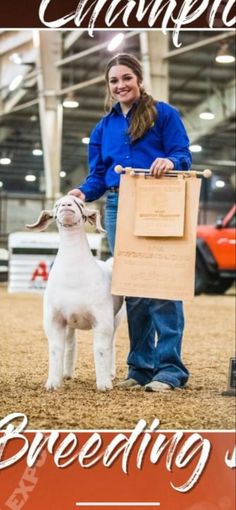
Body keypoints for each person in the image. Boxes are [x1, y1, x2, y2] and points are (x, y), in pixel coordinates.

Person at [69, 53, 192, 392]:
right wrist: (82, 191)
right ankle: (140, 368)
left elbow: (183, 154)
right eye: (113, 81)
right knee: (133, 289)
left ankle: (170, 370)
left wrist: (169, 161)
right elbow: (98, 175)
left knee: (162, 288)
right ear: (108, 87)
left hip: (160, 202)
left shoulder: (164, 114)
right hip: (118, 203)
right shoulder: (102, 127)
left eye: (126, 78)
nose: (120, 85)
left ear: (138, 79)